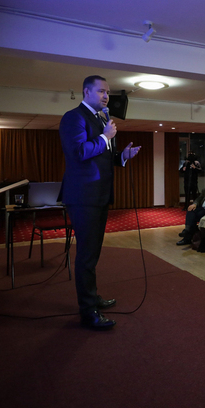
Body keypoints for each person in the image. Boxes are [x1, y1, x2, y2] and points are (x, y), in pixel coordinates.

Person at [58, 75, 141, 331]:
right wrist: (105, 137)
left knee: (92, 255)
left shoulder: (101, 119)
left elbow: (101, 157)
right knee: (86, 257)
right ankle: (88, 312)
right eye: (102, 91)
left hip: (99, 196)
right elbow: (79, 152)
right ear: (86, 92)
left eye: (107, 92)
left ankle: (92, 298)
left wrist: (121, 157)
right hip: (84, 197)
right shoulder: (74, 117)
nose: (106, 96)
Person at [177, 174, 205, 245]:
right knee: (191, 210)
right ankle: (187, 231)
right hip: (202, 207)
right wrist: (195, 204)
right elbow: (199, 199)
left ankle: (187, 236)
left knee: (193, 218)